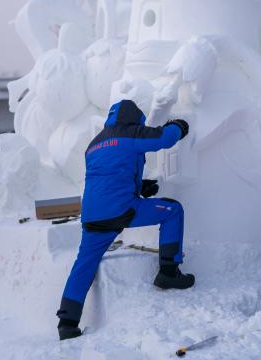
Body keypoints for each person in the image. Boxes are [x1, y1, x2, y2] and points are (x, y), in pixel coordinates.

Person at [56, 99, 194, 341]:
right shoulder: (132, 132)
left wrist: (141, 187)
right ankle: (169, 272)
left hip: (92, 215)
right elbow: (164, 139)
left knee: (84, 264)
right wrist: (178, 126)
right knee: (173, 210)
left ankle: (67, 322)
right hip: (121, 209)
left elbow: (111, 172)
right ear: (135, 118)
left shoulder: (95, 144)